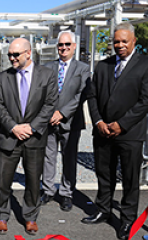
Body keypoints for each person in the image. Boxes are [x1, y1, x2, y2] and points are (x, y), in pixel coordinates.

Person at [82, 22, 148, 240]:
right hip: (103, 131)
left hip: (130, 133)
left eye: (124, 41)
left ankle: (128, 219)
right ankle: (103, 209)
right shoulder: (103, 66)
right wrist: (98, 121)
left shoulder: (145, 65)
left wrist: (122, 124)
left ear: (134, 41)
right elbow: (92, 96)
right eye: (116, 41)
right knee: (104, 173)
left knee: (130, 179)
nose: (119, 45)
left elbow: (145, 101)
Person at [0, 38, 57, 236]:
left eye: (15, 54)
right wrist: (13, 127)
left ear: (28, 53)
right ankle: (1, 215)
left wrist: (32, 127)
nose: (11, 58)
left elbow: (50, 104)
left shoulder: (47, 75)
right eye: (9, 54)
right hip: (9, 136)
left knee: (32, 181)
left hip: (34, 138)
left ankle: (30, 217)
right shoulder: (3, 77)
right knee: (3, 180)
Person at [41, 31, 90, 212]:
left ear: (74, 46)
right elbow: (41, 93)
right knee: (48, 156)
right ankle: (47, 190)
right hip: (49, 121)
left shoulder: (83, 69)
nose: (64, 48)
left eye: (67, 44)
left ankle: (67, 193)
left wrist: (62, 113)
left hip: (71, 120)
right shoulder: (47, 67)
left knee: (69, 158)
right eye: (61, 45)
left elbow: (81, 94)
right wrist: (49, 113)